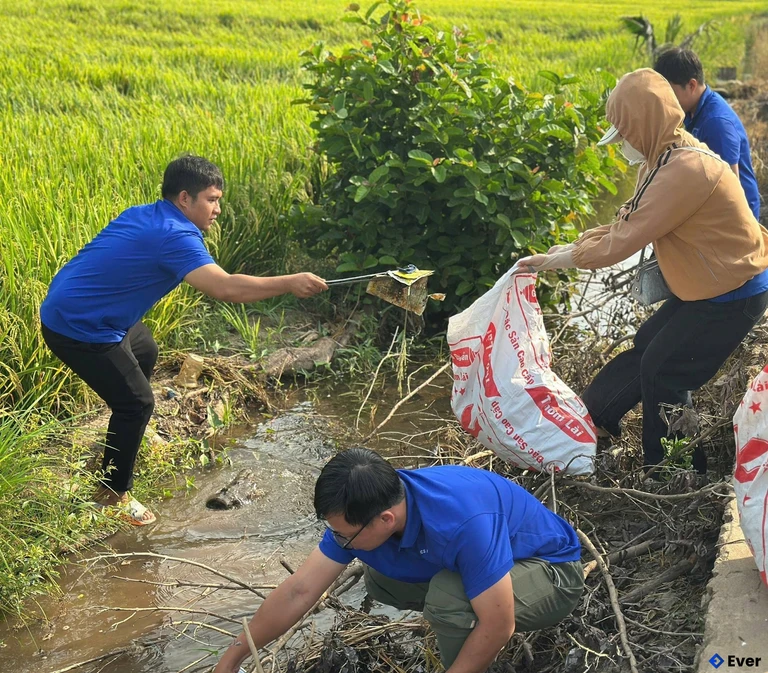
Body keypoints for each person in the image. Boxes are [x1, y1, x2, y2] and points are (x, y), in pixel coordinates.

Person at [40, 156, 328, 524]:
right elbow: (224, 287)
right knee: (138, 403)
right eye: (212, 199)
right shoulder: (173, 235)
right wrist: (289, 283)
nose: (218, 209)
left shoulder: (147, 214)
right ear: (184, 198)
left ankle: (124, 429)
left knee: (145, 348)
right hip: (78, 327)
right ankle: (112, 494)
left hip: (83, 309)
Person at [516, 68, 768, 473]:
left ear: (645, 124)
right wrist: (571, 247)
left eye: (624, 134)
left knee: (665, 369)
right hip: (709, 284)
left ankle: (676, 468)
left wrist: (557, 261)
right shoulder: (660, 158)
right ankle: (594, 416)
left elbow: (623, 242)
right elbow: (624, 222)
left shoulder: (683, 171)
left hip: (735, 291)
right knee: (649, 340)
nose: (623, 146)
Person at [213, 448, 584, 673]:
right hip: (487, 567)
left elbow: (500, 624)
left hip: (552, 572)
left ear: (385, 519)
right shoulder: (369, 506)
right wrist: (232, 659)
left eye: (345, 535)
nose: (339, 541)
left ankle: (460, 648)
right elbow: (299, 590)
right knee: (380, 578)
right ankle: (456, 625)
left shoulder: (463, 523)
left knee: (449, 597)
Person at [654, 47, 761, 220]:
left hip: (735, 220)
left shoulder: (716, 123)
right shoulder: (693, 110)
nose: (667, 100)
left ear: (691, 85)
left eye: (671, 93)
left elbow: (730, 188)